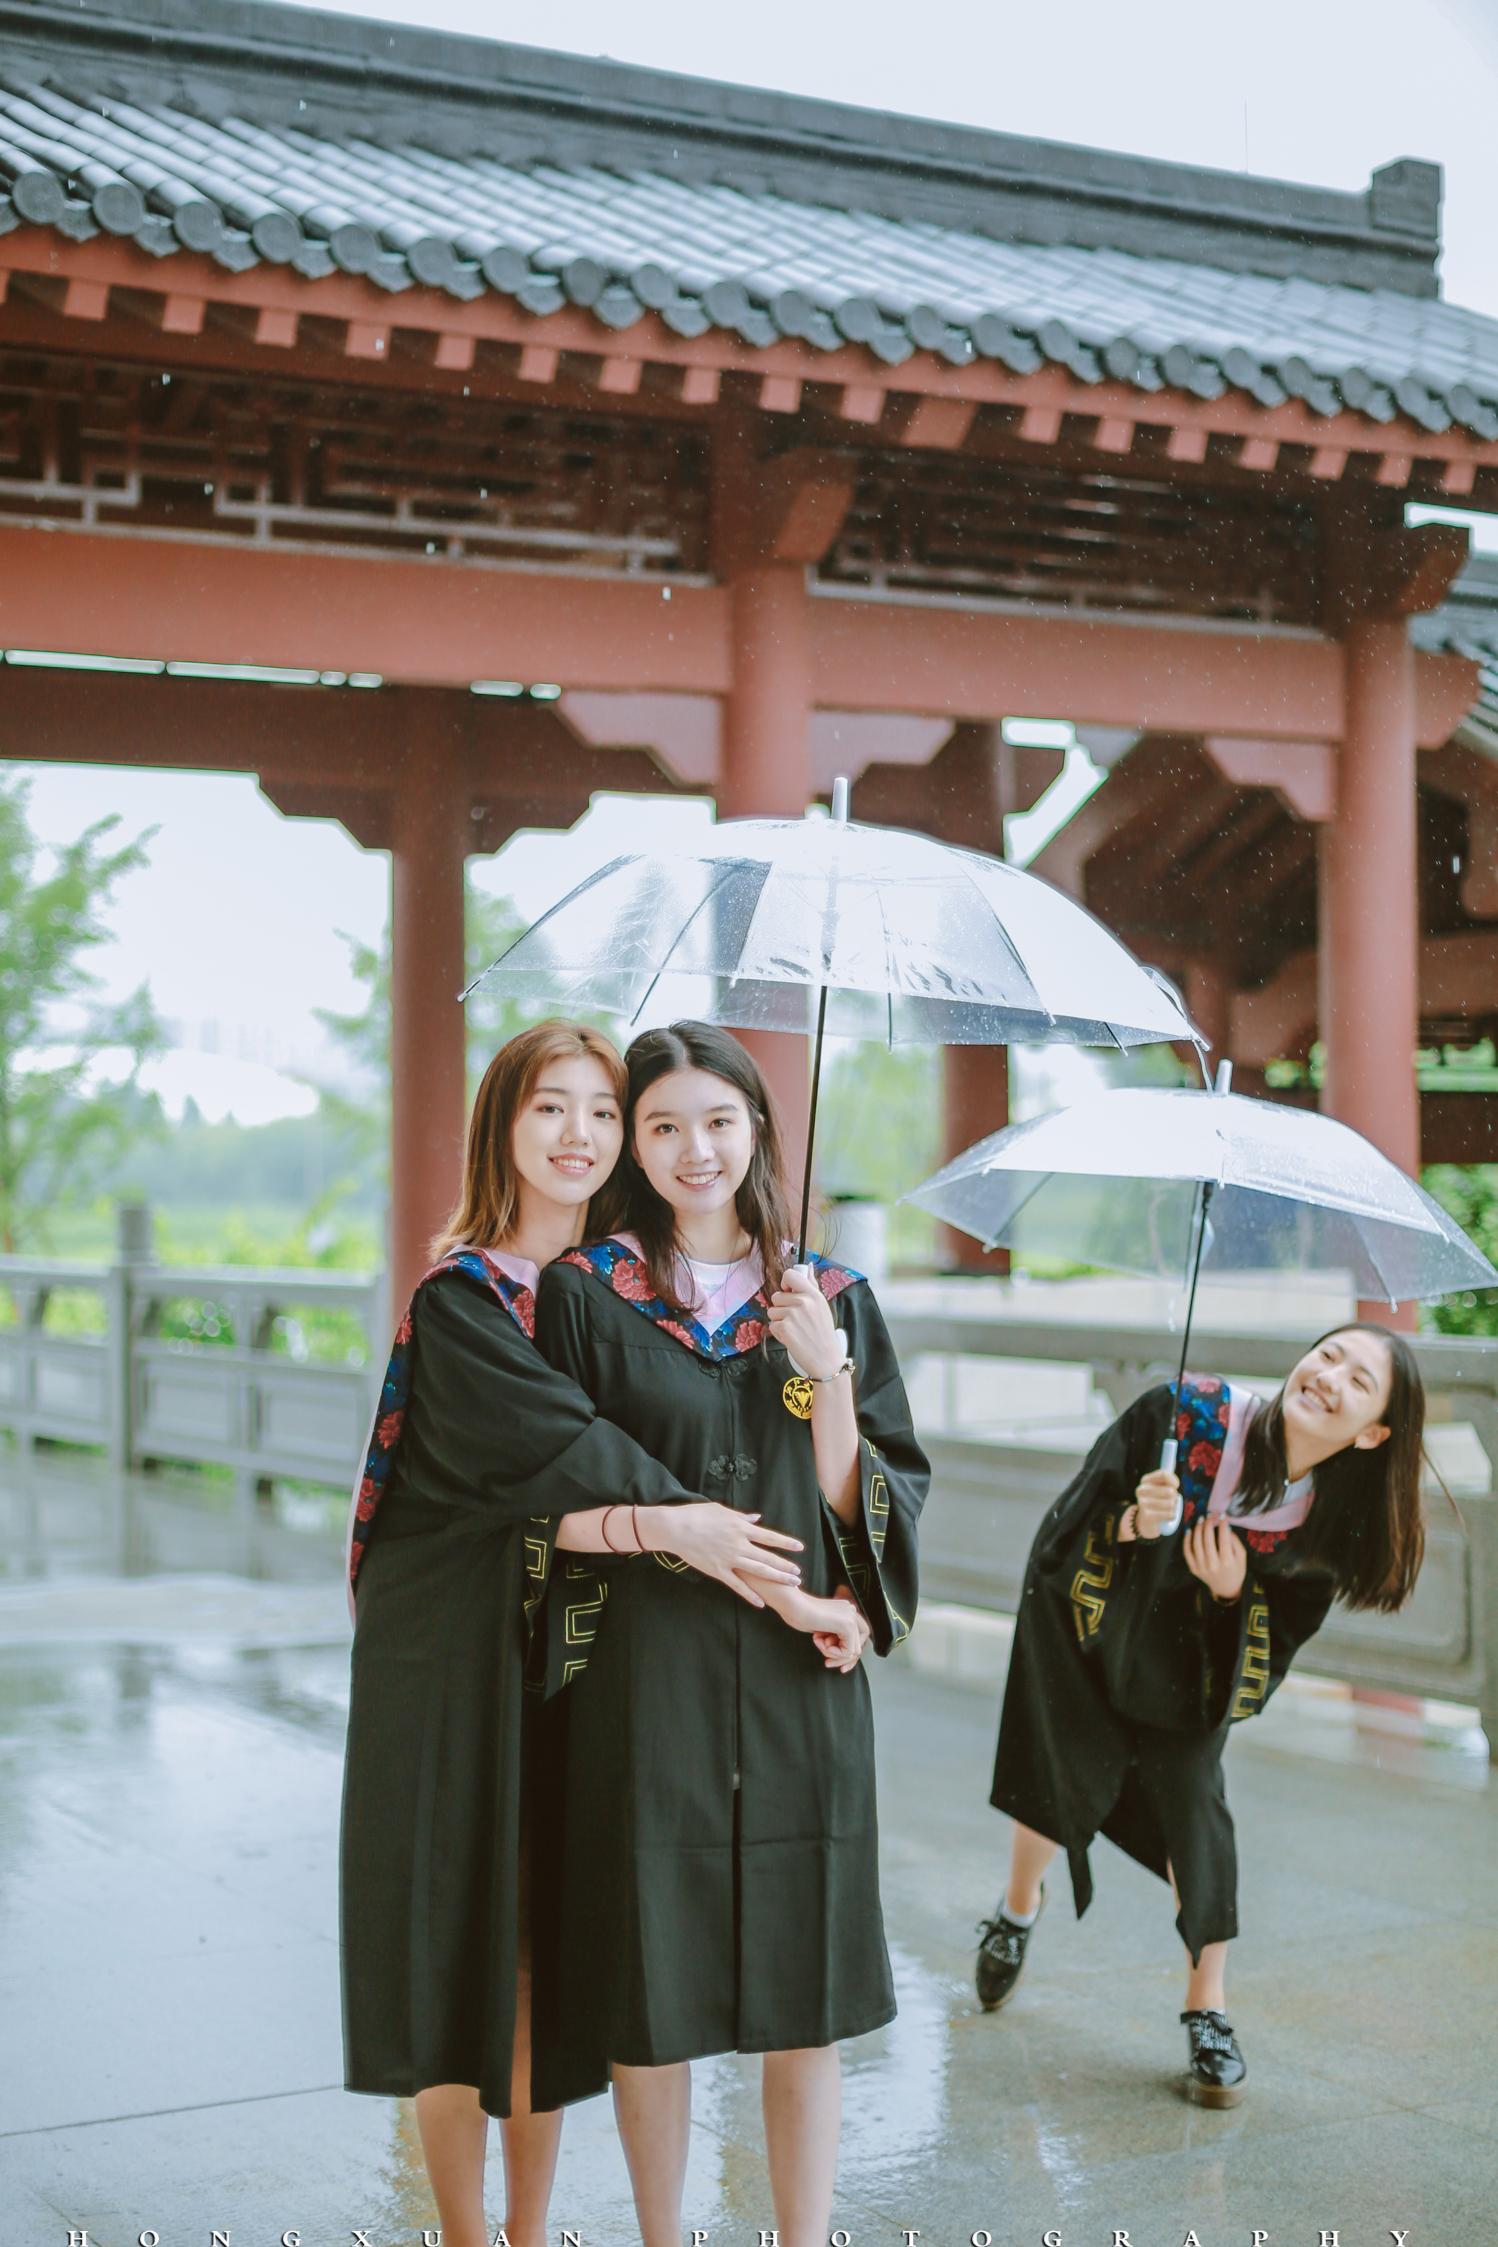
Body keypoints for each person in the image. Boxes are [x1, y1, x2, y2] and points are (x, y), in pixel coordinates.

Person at [340, 1021, 806, 2247]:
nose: (581, 1135)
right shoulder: (468, 1299)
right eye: (552, 1108)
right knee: (462, 1955)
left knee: (539, 1959)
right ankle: (466, 2232)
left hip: (578, 1659)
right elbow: (569, 1472)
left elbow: (653, 1463)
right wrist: (693, 1529)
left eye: (606, 1113)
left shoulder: (604, 1301)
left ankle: (531, 2230)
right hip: (455, 1660)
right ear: (504, 1124)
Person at [530, 1020, 929, 2247]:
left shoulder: (833, 1298)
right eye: (661, 1126)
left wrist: (828, 1381)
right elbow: (551, 1486)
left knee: (801, 1989)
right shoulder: (586, 1296)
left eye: (718, 1121)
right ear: (631, 1147)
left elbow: (871, 1506)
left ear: (759, 1128)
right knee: (654, 1982)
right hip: (645, 1680)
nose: (693, 1149)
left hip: (799, 1676)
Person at [975, 1326, 1427, 2107]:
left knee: (1196, 1813)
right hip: (1090, 1632)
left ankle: (1207, 2005)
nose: (1329, 1376)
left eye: (1359, 1381)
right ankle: (1018, 1907)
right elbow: (1065, 1525)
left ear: (1373, 1430)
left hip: (1188, 1678)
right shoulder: (1182, 1417)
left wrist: (1229, 1593)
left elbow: (1269, 1653)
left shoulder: (1320, 1530)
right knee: (1058, 1770)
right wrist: (1129, 1522)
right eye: (1328, 1354)